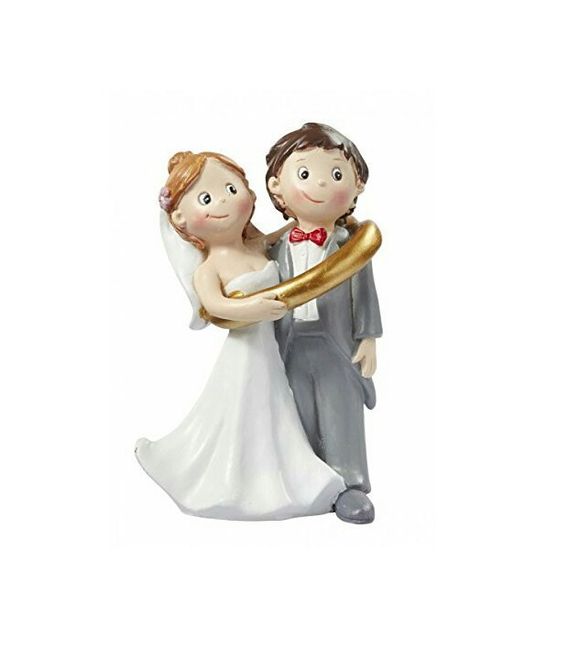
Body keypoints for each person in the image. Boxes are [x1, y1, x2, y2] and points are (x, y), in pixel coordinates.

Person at [135, 150, 345, 520]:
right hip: (245, 352)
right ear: (181, 218)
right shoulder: (209, 269)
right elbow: (216, 306)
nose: (223, 201)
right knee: (246, 412)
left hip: (273, 348)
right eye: (206, 198)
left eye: (231, 189)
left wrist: (319, 220)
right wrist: (254, 309)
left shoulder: (257, 246)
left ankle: (280, 473)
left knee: (275, 413)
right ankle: (238, 481)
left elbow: (285, 235)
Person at [266, 123, 383, 524]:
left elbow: (364, 293)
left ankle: (348, 483)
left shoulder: (351, 248)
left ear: (357, 185)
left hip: (336, 344)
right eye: (304, 173)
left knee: (339, 411)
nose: (319, 184)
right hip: (290, 345)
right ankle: (305, 481)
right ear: (276, 187)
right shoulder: (273, 249)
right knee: (296, 412)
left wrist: (368, 337)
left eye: (335, 174)